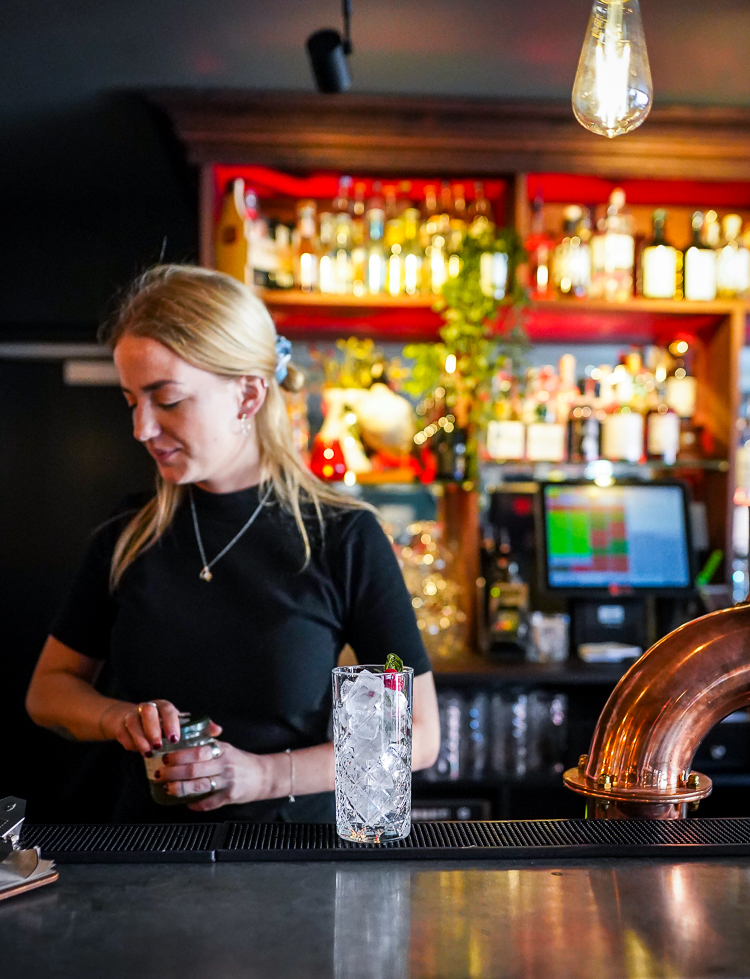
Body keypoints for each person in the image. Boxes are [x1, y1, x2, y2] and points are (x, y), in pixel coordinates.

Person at [26, 265, 440, 823]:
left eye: (166, 399)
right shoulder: (128, 533)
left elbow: (417, 736)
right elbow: (49, 691)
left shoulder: (344, 536)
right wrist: (118, 718)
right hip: (145, 866)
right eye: (131, 401)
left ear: (247, 395)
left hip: (291, 870)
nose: (141, 428)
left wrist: (265, 775)